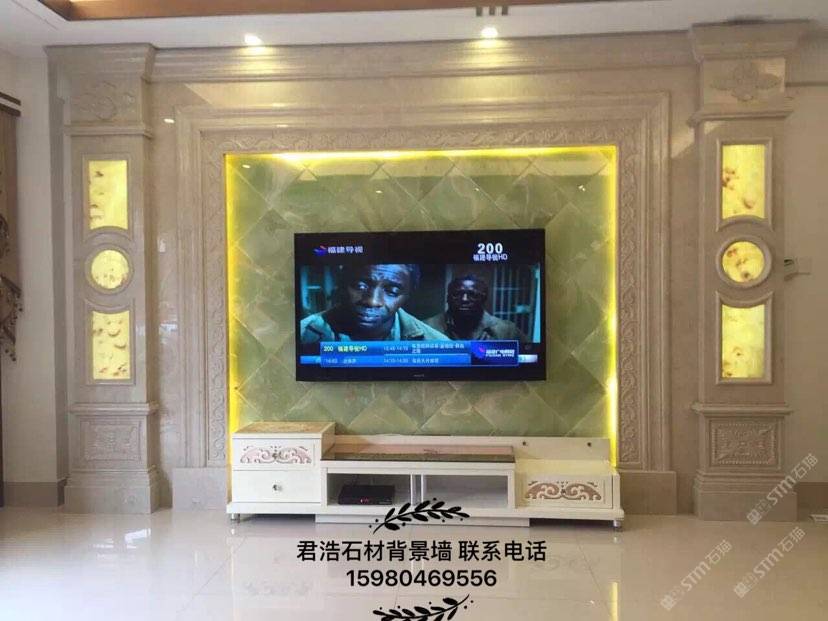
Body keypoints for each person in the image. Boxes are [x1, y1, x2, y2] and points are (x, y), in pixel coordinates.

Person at [300, 264, 448, 342]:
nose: (372, 301)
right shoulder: (302, 334)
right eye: (360, 286)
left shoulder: (437, 343)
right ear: (342, 284)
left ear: (407, 296)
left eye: (392, 291)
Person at [425, 274, 527, 342]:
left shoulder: (507, 331)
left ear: (484, 299)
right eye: (457, 294)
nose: (464, 299)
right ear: (448, 298)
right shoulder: (427, 327)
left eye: (472, 295)